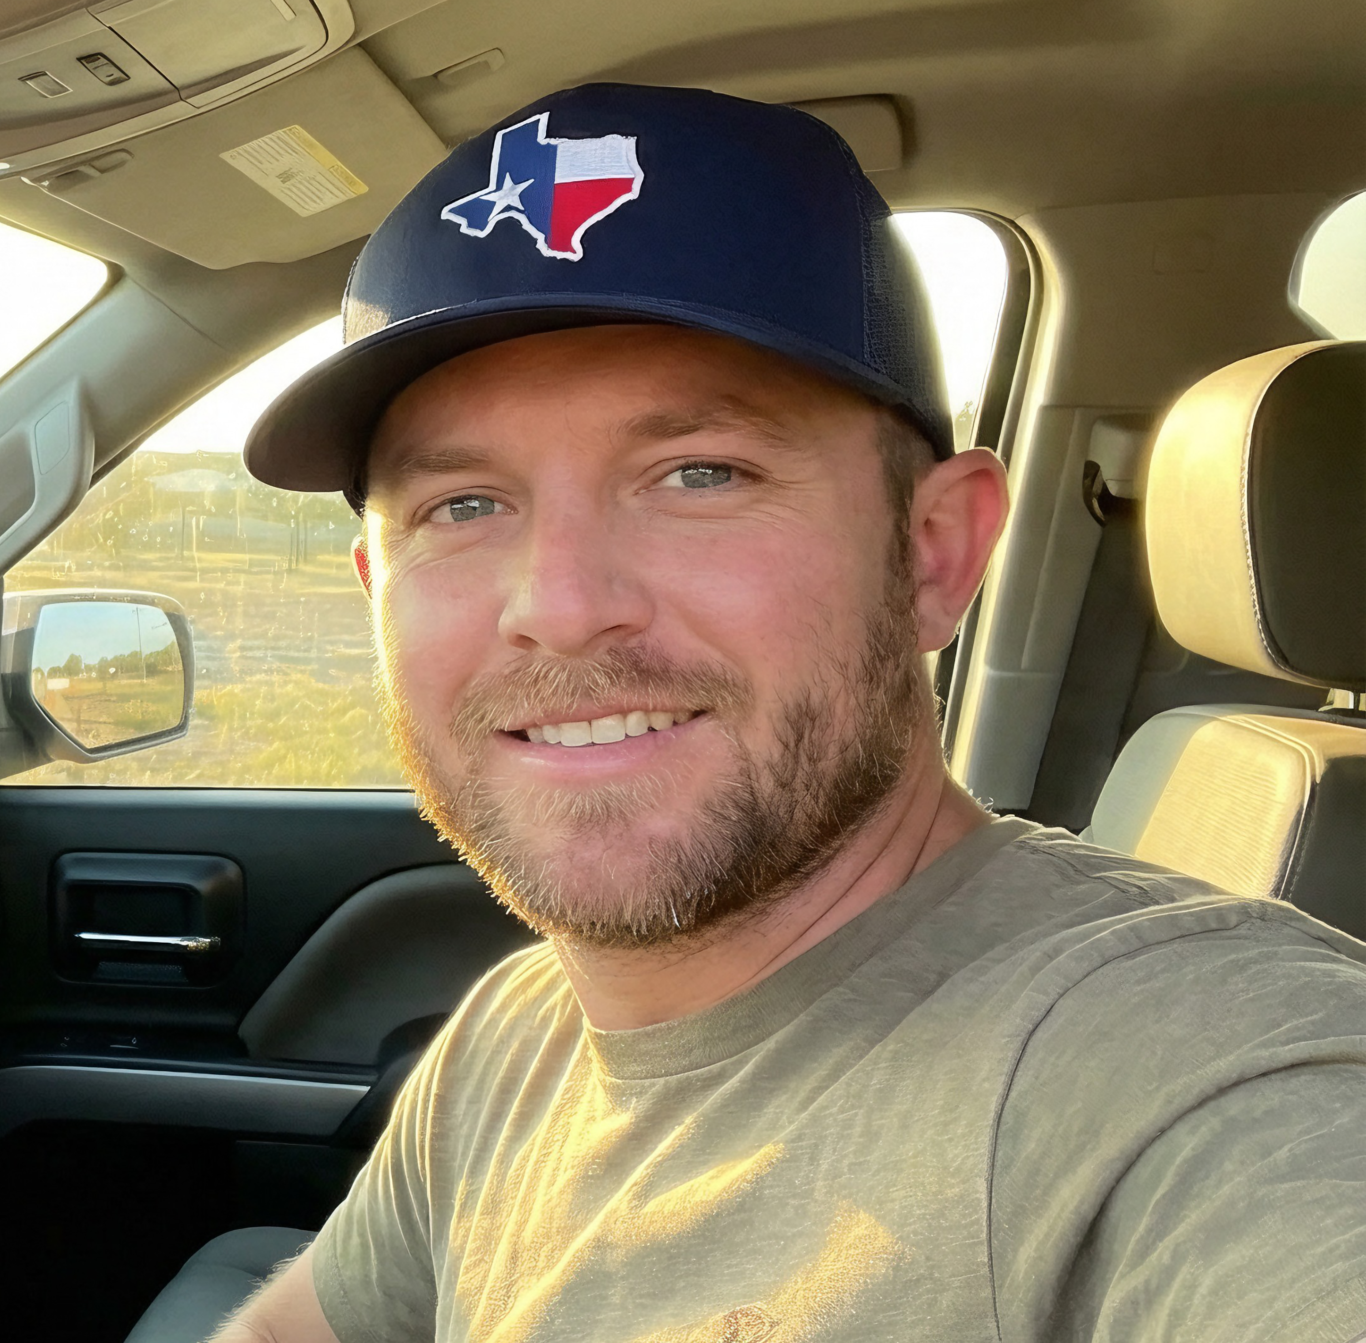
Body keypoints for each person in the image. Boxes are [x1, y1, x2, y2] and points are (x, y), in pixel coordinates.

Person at [216, 82, 1366, 1343]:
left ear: (931, 551)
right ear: (379, 591)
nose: (558, 605)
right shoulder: (520, 1028)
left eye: (698, 473)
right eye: (463, 506)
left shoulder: (1207, 1078)